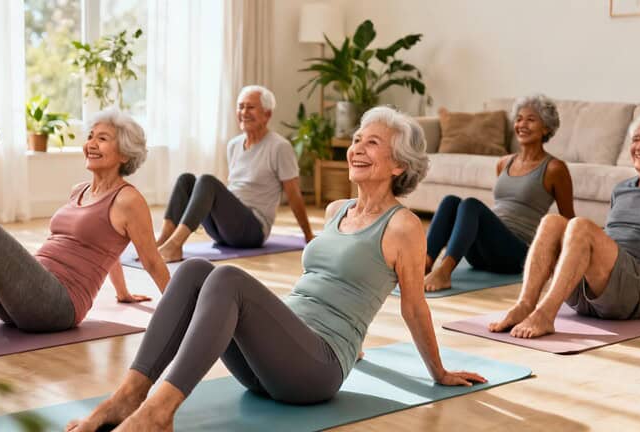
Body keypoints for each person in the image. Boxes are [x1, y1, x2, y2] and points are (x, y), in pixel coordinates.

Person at [67, 106, 487, 432]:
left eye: (372, 143)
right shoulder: (337, 210)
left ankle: (159, 412)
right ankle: (128, 396)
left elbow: (413, 306)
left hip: (315, 371)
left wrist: (439, 372)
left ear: (398, 165)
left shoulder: (403, 226)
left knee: (227, 278)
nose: (357, 148)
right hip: (270, 362)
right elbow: (328, 281)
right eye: (357, 139)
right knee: (195, 270)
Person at [0, 109, 170, 354]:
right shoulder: (79, 190)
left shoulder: (128, 200)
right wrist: (122, 293)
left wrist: (182, 310)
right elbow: (107, 246)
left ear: (125, 154)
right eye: (90, 136)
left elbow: (151, 261)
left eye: (102, 139)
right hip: (28, 295)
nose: (91, 143)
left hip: (58, 305)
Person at [489, 111, 640, 338]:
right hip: (590, 290)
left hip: (634, 294)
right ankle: (525, 305)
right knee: (552, 221)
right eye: (636, 139)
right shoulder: (622, 189)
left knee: (581, 226)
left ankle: (545, 314)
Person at [424, 94, 575, 291]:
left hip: (516, 255)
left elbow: (569, 220)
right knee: (450, 201)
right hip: (483, 254)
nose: (522, 124)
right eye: (519, 119)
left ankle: (444, 272)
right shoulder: (504, 162)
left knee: (470, 204)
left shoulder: (555, 168)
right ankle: (424, 265)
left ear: (546, 128)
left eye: (531, 120)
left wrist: (559, 260)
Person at [155, 85, 314, 262]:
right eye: (241, 107)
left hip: (252, 230)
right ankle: (162, 241)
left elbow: (294, 195)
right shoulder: (234, 145)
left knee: (207, 181)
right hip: (224, 230)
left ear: (267, 114)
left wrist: (308, 236)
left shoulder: (280, 147)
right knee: (186, 180)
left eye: (250, 107)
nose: (244, 112)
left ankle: (174, 245)